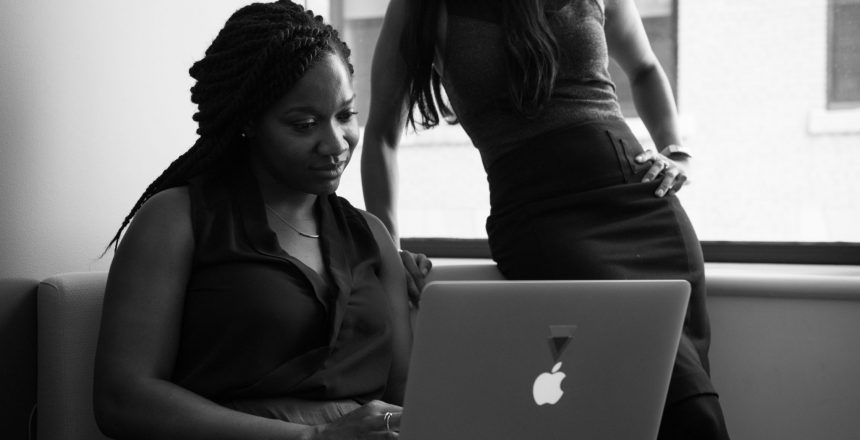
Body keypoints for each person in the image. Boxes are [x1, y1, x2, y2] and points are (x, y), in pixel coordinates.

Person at [361, 0, 730, 438]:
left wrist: (676, 151)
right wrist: (390, 252)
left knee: (676, 403)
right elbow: (381, 133)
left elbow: (646, 67)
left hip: (643, 208)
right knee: (661, 404)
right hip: (540, 223)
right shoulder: (421, 6)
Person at [94, 2, 411, 439]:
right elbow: (122, 399)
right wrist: (314, 438)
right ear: (248, 122)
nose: (335, 143)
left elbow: (410, 396)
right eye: (304, 124)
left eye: (345, 115)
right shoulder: (175, 220)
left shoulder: (371, 236)